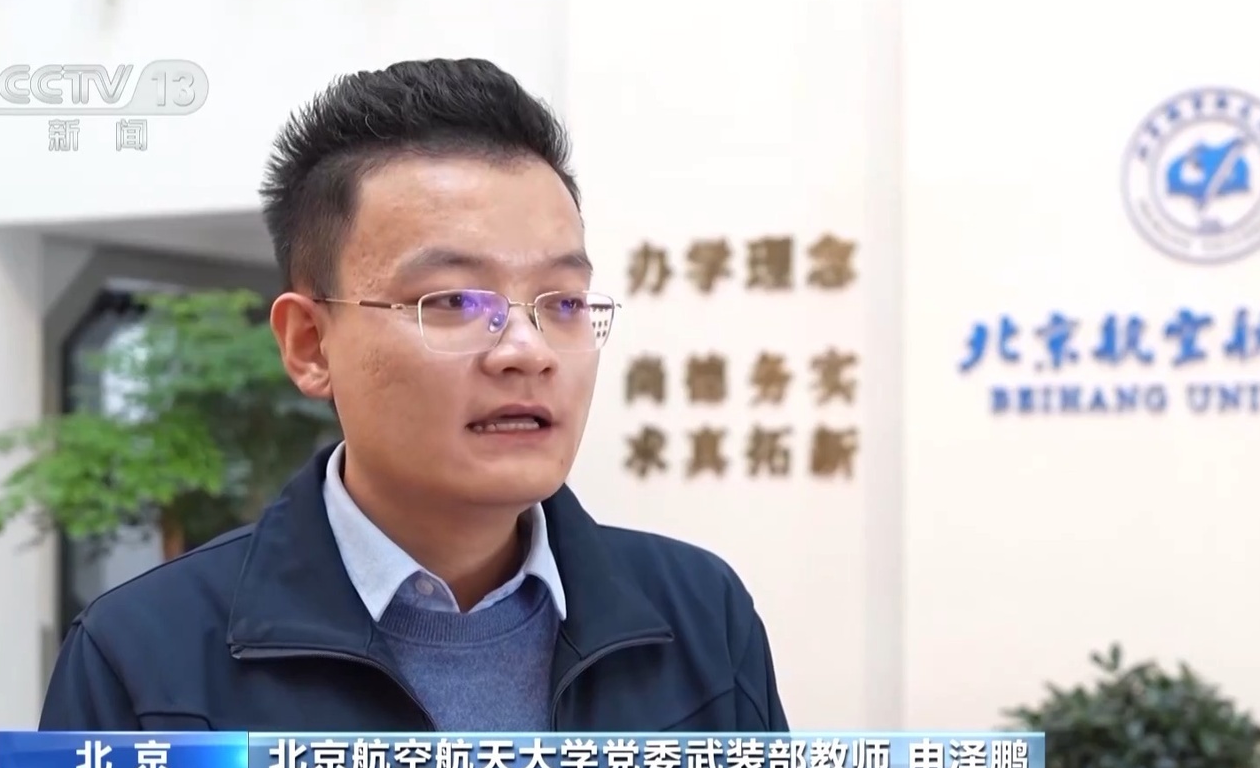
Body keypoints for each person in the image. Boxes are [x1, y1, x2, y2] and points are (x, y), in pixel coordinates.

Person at [38, 58, 789, 733]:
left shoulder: (702, 617)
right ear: (310, 344)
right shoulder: (138, 658)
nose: (527, 351)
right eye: (455, 301)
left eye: (562, 302)